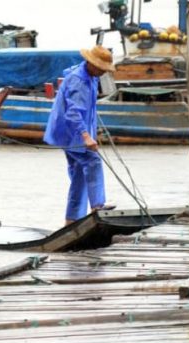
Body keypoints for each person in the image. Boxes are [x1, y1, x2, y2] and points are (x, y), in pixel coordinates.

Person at [44, 45, 116, 225]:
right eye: (101, 68)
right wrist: (86, 136)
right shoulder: (79, 81)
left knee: (79, 175)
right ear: (91, 64)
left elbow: (88, 108)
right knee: (93, 161)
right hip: (71, 133)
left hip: (72, 132)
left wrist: (93, 131)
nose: (102, 72)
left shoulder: (90, 76)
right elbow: (73, 113)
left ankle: (72, 220)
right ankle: (98, 205)